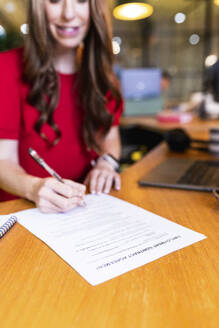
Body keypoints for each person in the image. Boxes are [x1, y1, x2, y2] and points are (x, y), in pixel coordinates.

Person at [0, 0, 123, 213]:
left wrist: (106, 163)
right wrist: (34, 187)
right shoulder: (6, 68)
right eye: (55, 0)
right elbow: (3, 160)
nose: (69, 14)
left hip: (83, 210)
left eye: (81, 0)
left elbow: (110, 137)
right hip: (21, 213)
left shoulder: (103, 76)